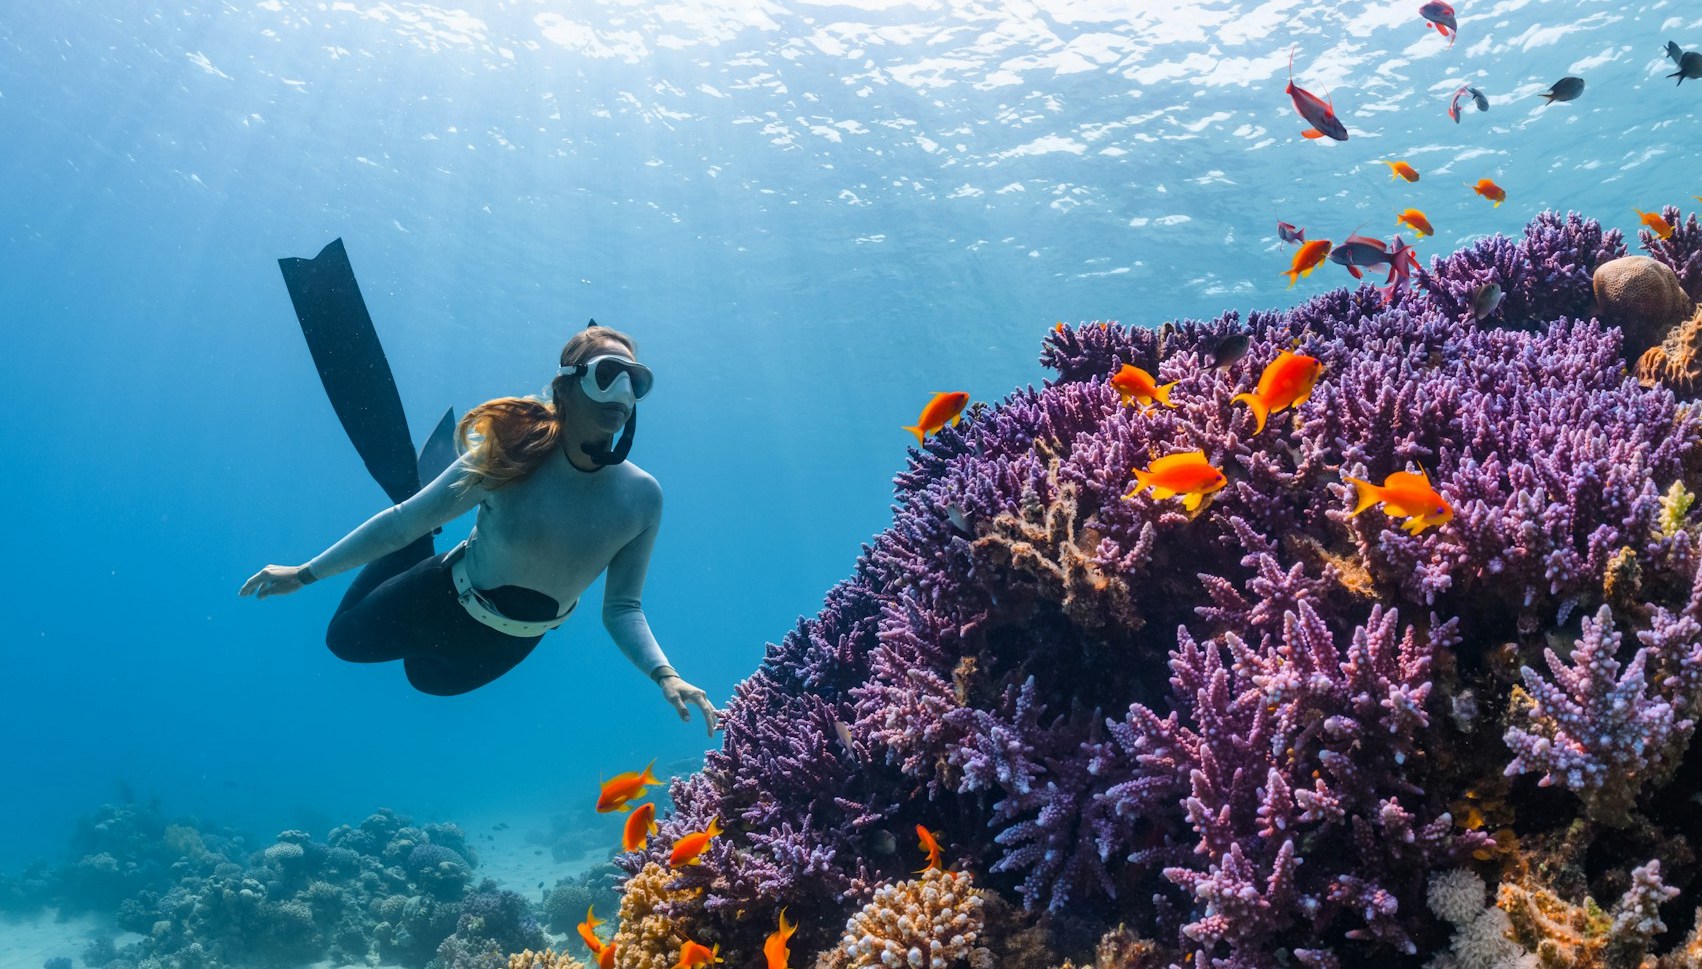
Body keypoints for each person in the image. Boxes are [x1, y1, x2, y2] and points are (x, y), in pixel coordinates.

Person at [240, 245, 714, 731]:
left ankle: (430, 515)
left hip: (518, 637)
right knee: (343, 640)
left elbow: (622, 607)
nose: (622, 394)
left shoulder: (642, 499)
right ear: (565, 387)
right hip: (443, 594)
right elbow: (401, 524)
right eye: (607, 376)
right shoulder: (508, 456)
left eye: (636, 382)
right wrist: (303, 574)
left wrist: (665, 675)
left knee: (427, 681)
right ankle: (425, 504)